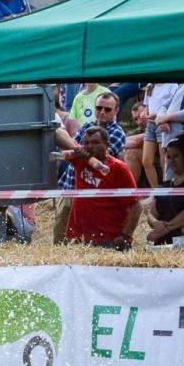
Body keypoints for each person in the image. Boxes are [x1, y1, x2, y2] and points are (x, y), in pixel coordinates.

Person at [53, 92, 126, 243]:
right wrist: (78, 152)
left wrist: (77, 151)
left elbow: (98, 156)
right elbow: (72, 151)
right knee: (60, 237)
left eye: (108, 109)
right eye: (99, 108)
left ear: (116, 111)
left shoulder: (118, 133)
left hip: (94, 194)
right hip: (70, 186)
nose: (102, 112)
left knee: (87, 241)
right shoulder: (87, 126)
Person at [65, 125, 142, 249]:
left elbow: (136, 207)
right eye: (86, 143)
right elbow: (59, 144)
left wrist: (125, 237)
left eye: (95, 142)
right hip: (81, 239)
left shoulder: (119, 168)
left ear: (106, 145)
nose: (90, 146)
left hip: (110, 240)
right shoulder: (80, 160)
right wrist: (75, 149)